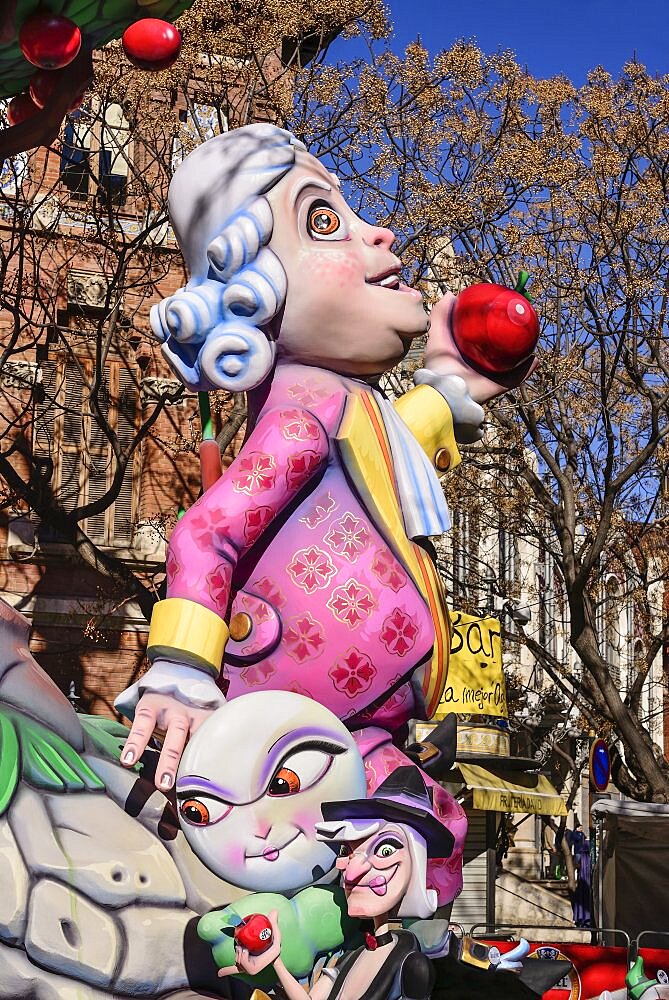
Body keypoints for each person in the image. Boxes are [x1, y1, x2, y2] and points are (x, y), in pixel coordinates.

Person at [114, 123, 536, 906]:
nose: (378, 231)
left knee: (421, 839)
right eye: (322, 222)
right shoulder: (302, 408)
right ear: (259, 287)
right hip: (283, 725)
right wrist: (181, 669)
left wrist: (451, 379)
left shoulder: (348, 408)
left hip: (356, 729)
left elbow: (395, 444)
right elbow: (208, 529)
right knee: (342, 863)